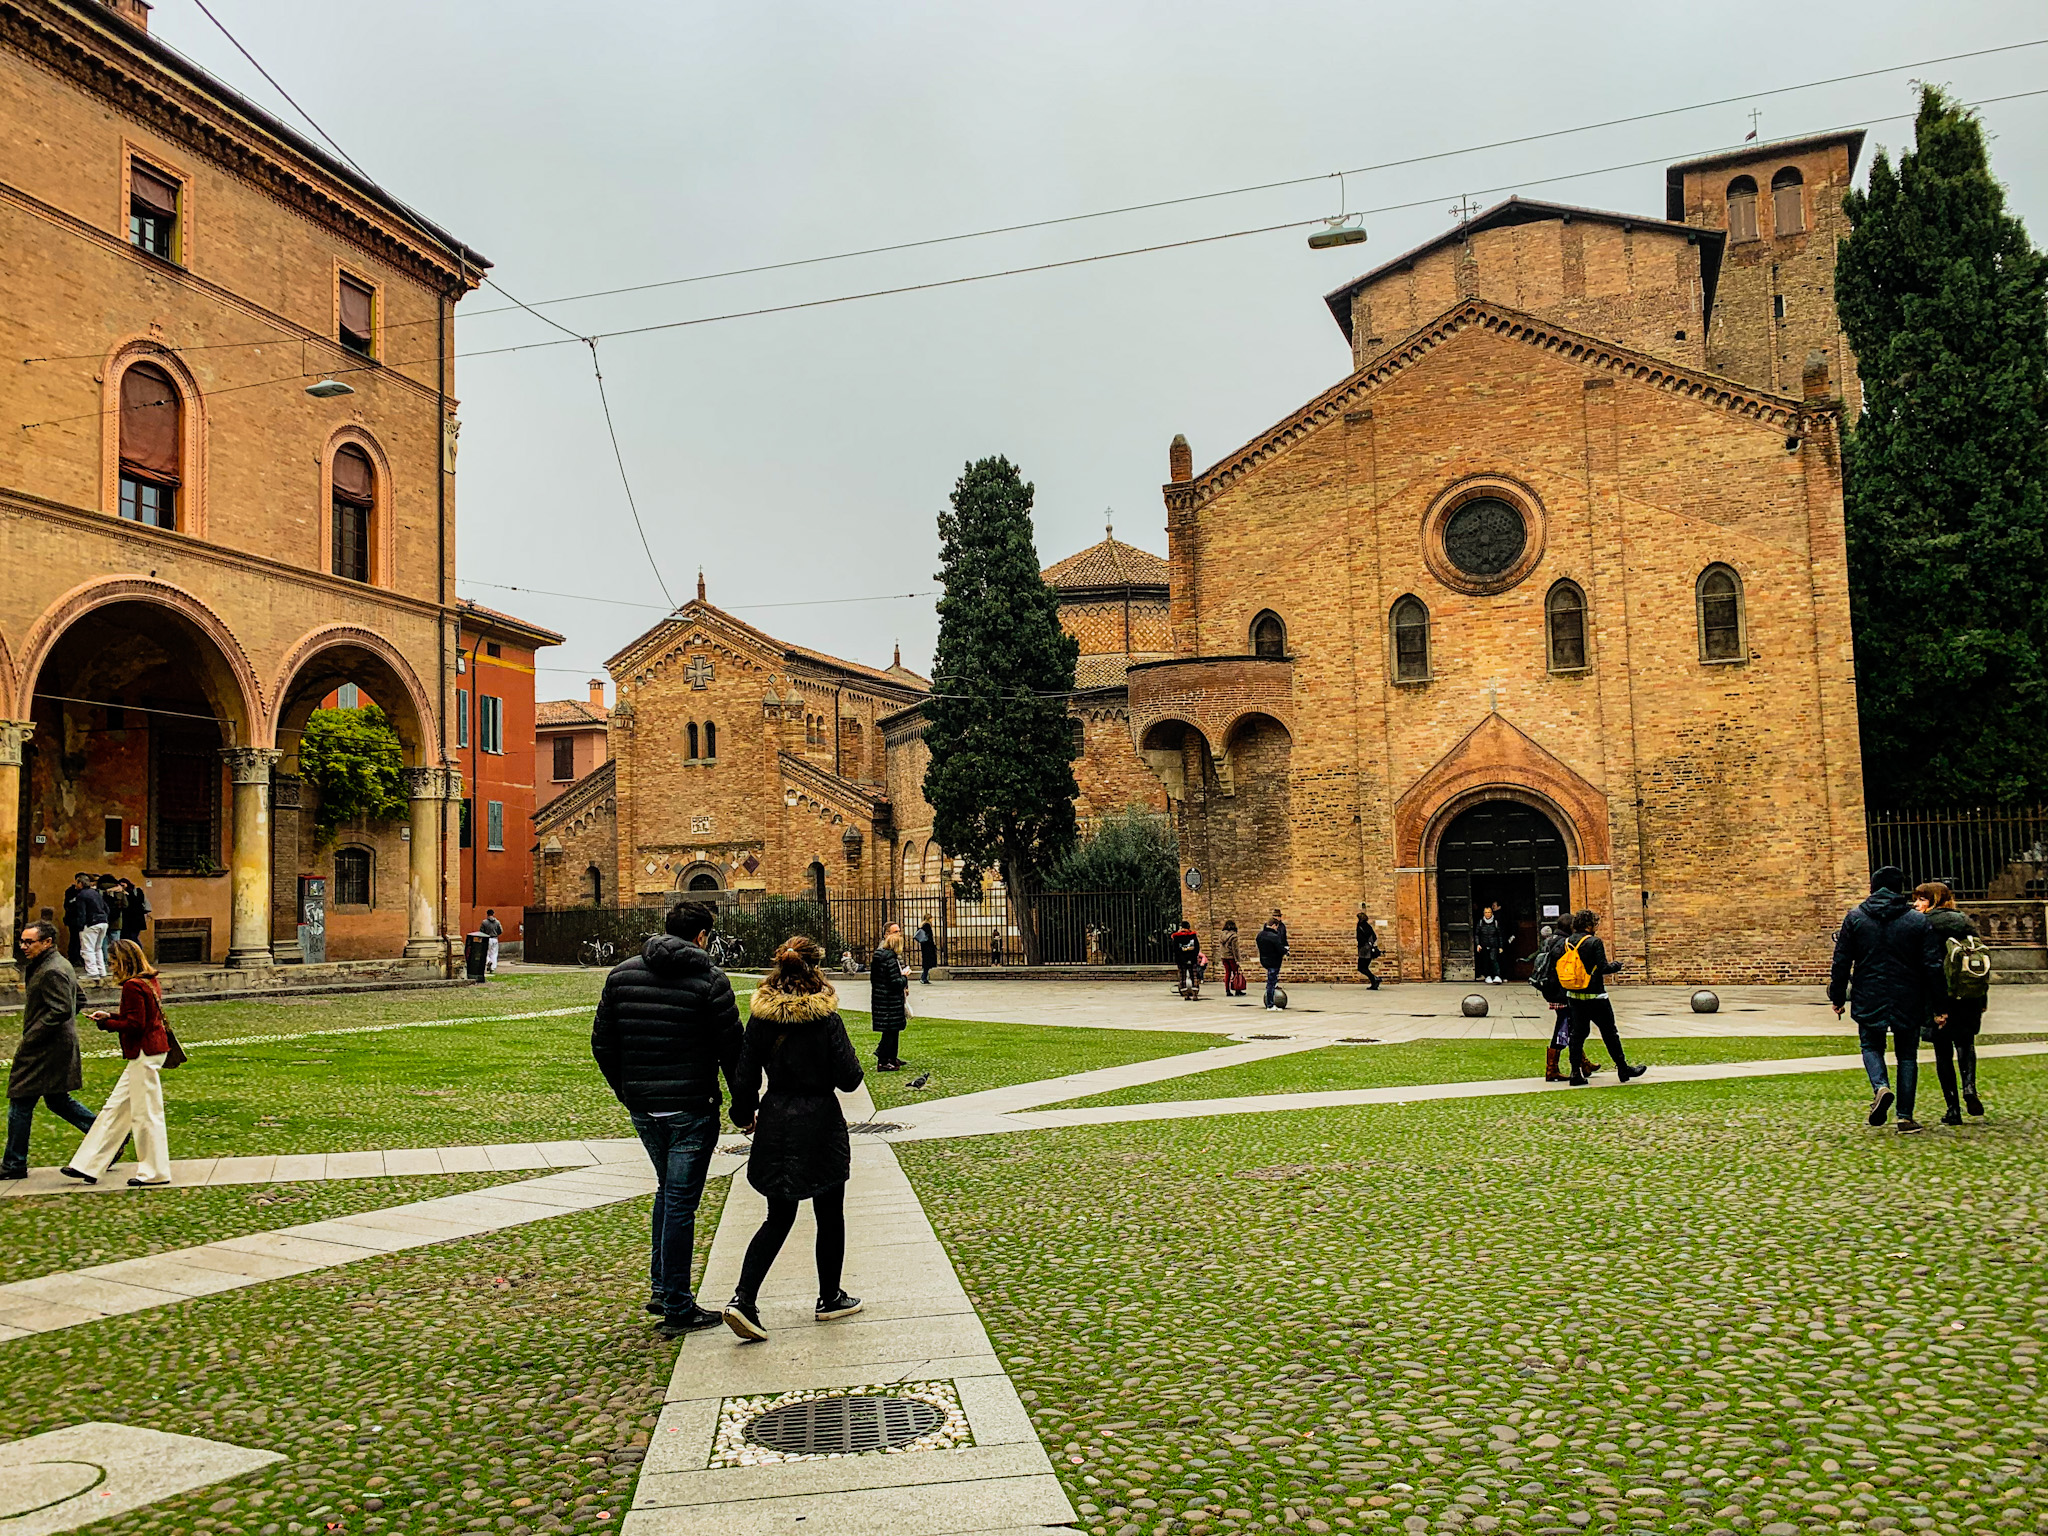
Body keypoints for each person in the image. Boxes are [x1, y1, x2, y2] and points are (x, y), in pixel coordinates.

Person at [590, 901, 746, 1336]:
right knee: (680, 1202)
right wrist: (744, 1107)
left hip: (645, 1109)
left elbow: (602, 1043)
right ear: (701, 937)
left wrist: (628, 1091)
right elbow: (734, 1051)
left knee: (668, 1192)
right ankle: (678, 1305)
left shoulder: (621, 975)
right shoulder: (711, 981)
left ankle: (662, 1288)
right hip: (692, 1109)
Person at [723, 935, 865, 1342]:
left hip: (778, 1117)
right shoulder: (826, 1018)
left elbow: (745, 1074)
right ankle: (829, 1296)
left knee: (779, 1215)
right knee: (829, 1210)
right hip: (820, 1118)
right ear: (817, 968)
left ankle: (744, 1299)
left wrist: (743, 1113)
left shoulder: (762, 1018)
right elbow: (851, 1079)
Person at [1829, 865, 1945, 1134]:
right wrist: (1940, 1005)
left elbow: (1841, 961)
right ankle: (1905, 1116)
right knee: (1907, 1055)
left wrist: (1837, 996)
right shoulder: (1916, 921)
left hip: (1868, 991)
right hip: (1908, 994)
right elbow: (1932, 965)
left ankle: (1880, 1086)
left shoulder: (1855, 918)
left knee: (1870, 1045)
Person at [63, 938, 172, 1187]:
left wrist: (106, 1024)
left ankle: (154, 1172)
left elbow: (135, 1025)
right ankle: (88, 1164)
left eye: (112, 962)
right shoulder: (148, 980)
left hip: (144, 1053)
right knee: (114, 1110)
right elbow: (138, 1017)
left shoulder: (133, 986)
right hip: (149, 1051)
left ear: (123, 961)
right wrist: (111, 1016)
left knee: (146, 1115)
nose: (111, 967)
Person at [2, 922, 98, 1180]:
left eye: (28, 942)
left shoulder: (52, 969)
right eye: (21, 942)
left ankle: (13, 1164)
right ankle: (106, 1137)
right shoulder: (56, 964)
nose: (23, 947)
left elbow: (61, 1009)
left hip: (44, 1046)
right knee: (56, 1099)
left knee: (21, 1100)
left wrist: (34, 1035)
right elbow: (80, 1000)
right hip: (55, 1043)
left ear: (47, 942)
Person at [1914, 881, 1989, 1126]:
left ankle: (1953, 1108)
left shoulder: (1925, 925)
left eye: (1922, 899)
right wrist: (1982, 997)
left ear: (1934, 901)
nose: (1916, 904)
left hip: (1938, 996)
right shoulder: (1965, 921)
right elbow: (1978, 962)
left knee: (1942, 1052)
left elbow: (1926, 965)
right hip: (1968, 995)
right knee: (1966, 1044)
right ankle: (1969, 1087)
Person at [1558, 910, 1645, 1087]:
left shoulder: (1567, 941)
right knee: (1610, 1033)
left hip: (1574, 995)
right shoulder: (1594, 942)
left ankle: (1575, 1072)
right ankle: (1622, 1068)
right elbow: (1603, 968)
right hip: (1596, 996)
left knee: (1577, 1035)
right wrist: (1616, 966)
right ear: (1590, 925)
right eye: (1595, 924)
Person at [868, 927, 909, 1070]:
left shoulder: (879, 957)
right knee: (890, 1031)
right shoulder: (890, 959)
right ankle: (884, 1060)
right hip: (889, 1001)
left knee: (892, 1030)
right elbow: (894, 982)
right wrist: (904, 977)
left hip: (882, 998)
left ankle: (891, 1057)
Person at [1256, 913, 1287, 1010]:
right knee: (1271, 983)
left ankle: (1270, 1003)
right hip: (1274, 961)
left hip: (1264, 960)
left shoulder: (1260, 935)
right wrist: (1286, 950)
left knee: (1271, 982)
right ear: (1274, 925)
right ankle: (1270, 1004)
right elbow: (1280, 949)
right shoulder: (1274, 936)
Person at [1170, 918, 1201, 999]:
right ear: (1188, 927)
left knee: (1182, 977)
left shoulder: (1176, 937)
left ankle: (1185, 994)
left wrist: (1181, 959)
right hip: (1192, 959)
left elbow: (1175, 950)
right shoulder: (1193, 936)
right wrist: (1193, 957)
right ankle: (1195, 994)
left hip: (1181, 960)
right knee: (1194, 976)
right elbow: (1197, 948)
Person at [1474, 902, 1504, 985]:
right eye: (1486, 912)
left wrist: (1501, 946)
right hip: (1483, 944)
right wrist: (1478, 944)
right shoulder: (1480, 922)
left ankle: (1497, 976)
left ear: (1492, 913)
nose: (1487, 914)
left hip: (1494, 944)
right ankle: (1488, 976)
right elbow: (1477, 934)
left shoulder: (1495, 922)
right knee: (1485, 961)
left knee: (1493, 959)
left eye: (1489, 912)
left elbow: (1499, 935)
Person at [1356, 904, 1382, 990]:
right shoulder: (1368, 926)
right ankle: (1374, 981)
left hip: (1364, 950)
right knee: (1364, 967)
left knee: (1361, 967)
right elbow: (1374, 937)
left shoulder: (1360, 926)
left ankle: (1374, 979)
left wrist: (1364, 945)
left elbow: (1359, 938)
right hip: (1369, 949)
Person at [117, 879, 149, 945]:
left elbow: (136, 903)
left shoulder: (137, 891)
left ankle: (138, 952)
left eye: (123, 885)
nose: (122, 887)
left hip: (136, 921)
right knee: (128, 939)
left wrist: (127, 895)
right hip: (127, 921)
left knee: (133, 939)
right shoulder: (121, 893)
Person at [1219, 919, 1245, 997]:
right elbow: (1235, 949)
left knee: (1227, 973)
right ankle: (1237, 989)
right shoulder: (1234, 936)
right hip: (1231, 957)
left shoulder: (1221, 935)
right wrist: (1237, 959)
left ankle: (1227, 990)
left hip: (1224, 956)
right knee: (1235, 973)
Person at [479, 909, 503, 974]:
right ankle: (492, 967)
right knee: (494, 954)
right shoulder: (497, 922)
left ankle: (488, 961)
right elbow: (500, 931)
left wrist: (480, 938)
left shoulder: (484, 922)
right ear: (493, 914)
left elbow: (481, 931)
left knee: (486, 952)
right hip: (495, 939)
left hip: (486, 939)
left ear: (487, 914)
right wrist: (496, 934)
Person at [914, 919, 937, 984]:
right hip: (928, 947)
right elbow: (929, 937)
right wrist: (933, 945)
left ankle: (924, 977)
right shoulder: (927, 925)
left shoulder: (922, 925)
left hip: (924, 946)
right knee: (927, 963)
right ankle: (924, 978)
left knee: (926, 962)